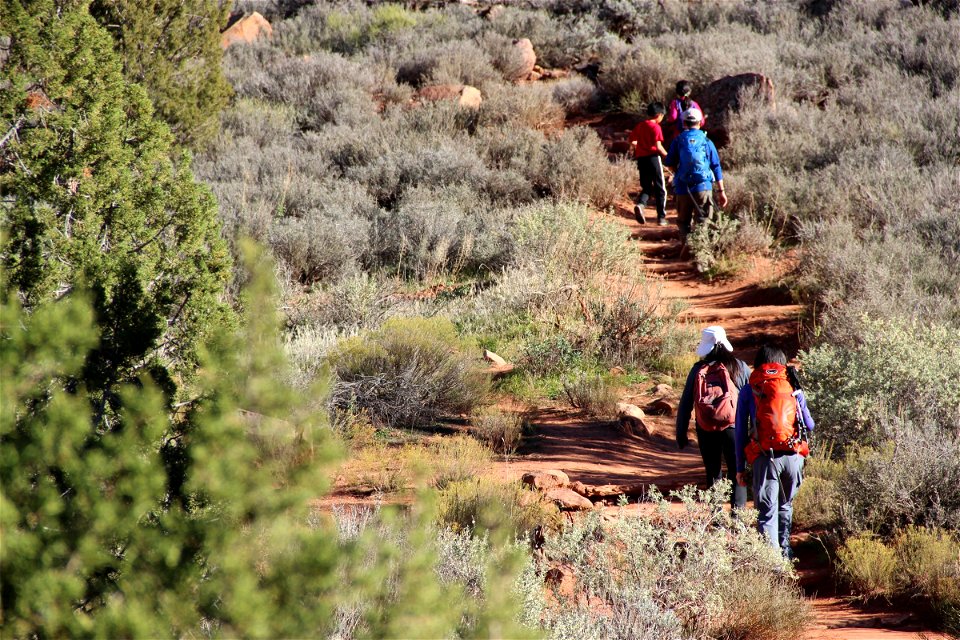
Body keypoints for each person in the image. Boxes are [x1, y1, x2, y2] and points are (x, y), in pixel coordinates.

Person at [735, 345, 815, 560]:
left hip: (764, 457)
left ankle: (771, 563)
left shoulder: (749, 389)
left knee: (766, 512)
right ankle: (785, 550)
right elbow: (810, 425)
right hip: (793, 455)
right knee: (785, 505)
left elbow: (741, 430)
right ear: (783, 362)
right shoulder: (793, 385)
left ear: (759, 363)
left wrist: (739, 467)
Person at [676, 326, 750, 510]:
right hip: (735, 427)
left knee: (713, 472)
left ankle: (715, 518)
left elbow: (686, 403)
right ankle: (739, 519)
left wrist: (681, 433)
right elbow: (753, 397)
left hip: (705, 426)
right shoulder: (739, 366)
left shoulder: (697, 370)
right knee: (737, 472)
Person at [664, 107, 727, 242]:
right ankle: (699, 257)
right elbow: (716, 167)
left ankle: (686, 250)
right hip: (703, 187)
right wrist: (721, 191)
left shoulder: (678, 140)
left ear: (684, 123)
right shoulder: (707, 141)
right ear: (700, 123)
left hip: (683, 187)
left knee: (683, 222)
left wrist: (678, 173)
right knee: (703, 221)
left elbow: (669, 162)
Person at [627, 101, 669, 226]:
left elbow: (632, 140)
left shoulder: (640, 125)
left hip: (641, 159)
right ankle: (661, 217)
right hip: (653, 159)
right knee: (660, 188)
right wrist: (669, 157)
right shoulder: (656, 127)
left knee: (646, 187)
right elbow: (658, 146)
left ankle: (641, 204)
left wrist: (639, 146)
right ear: (659, 115)